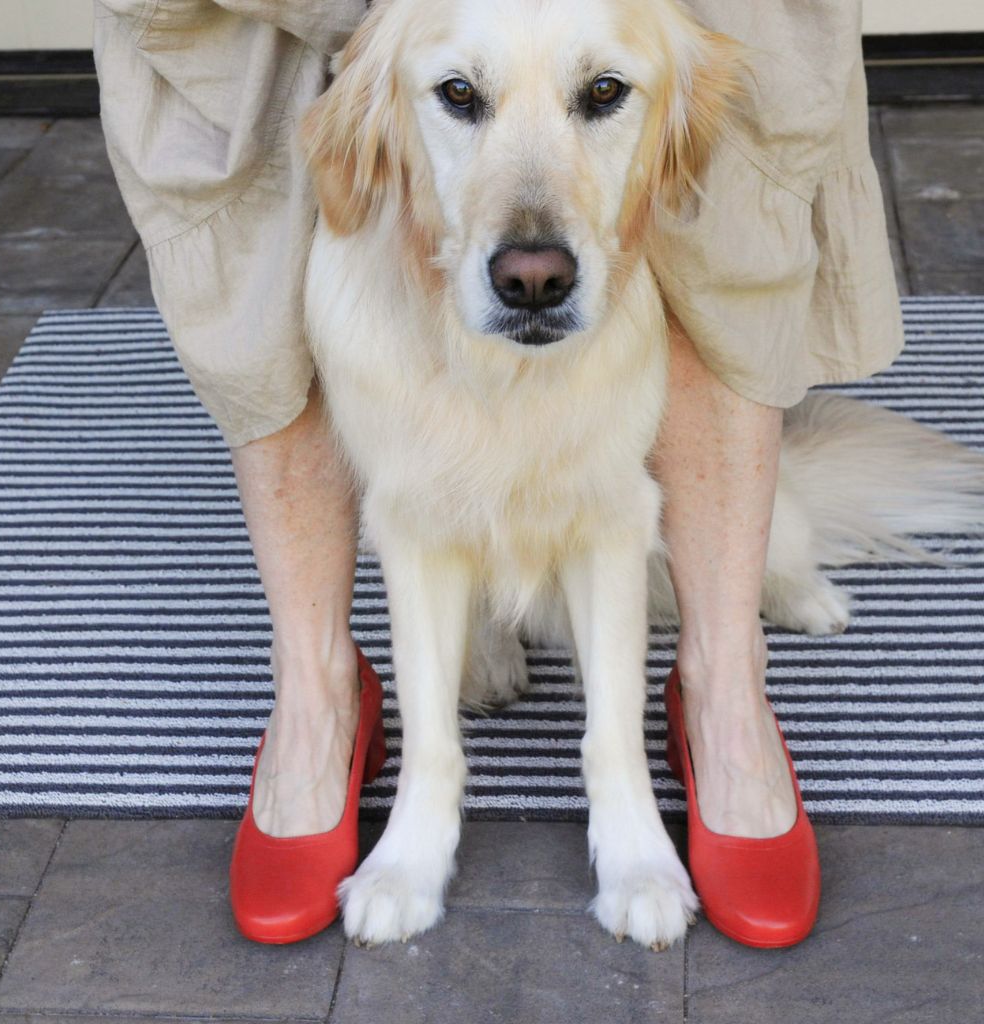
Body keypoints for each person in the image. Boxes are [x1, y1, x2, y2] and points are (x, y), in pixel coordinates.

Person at [94, 0, 903, 948]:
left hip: (607, 499)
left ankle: (722, 687)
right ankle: (321, 700)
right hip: (409, 382)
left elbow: (613, 519)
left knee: (745, 108)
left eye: (600, 96)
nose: (532, 250)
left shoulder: (671, 122)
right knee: (230, 102)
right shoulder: (376, 128)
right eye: (459, 98)